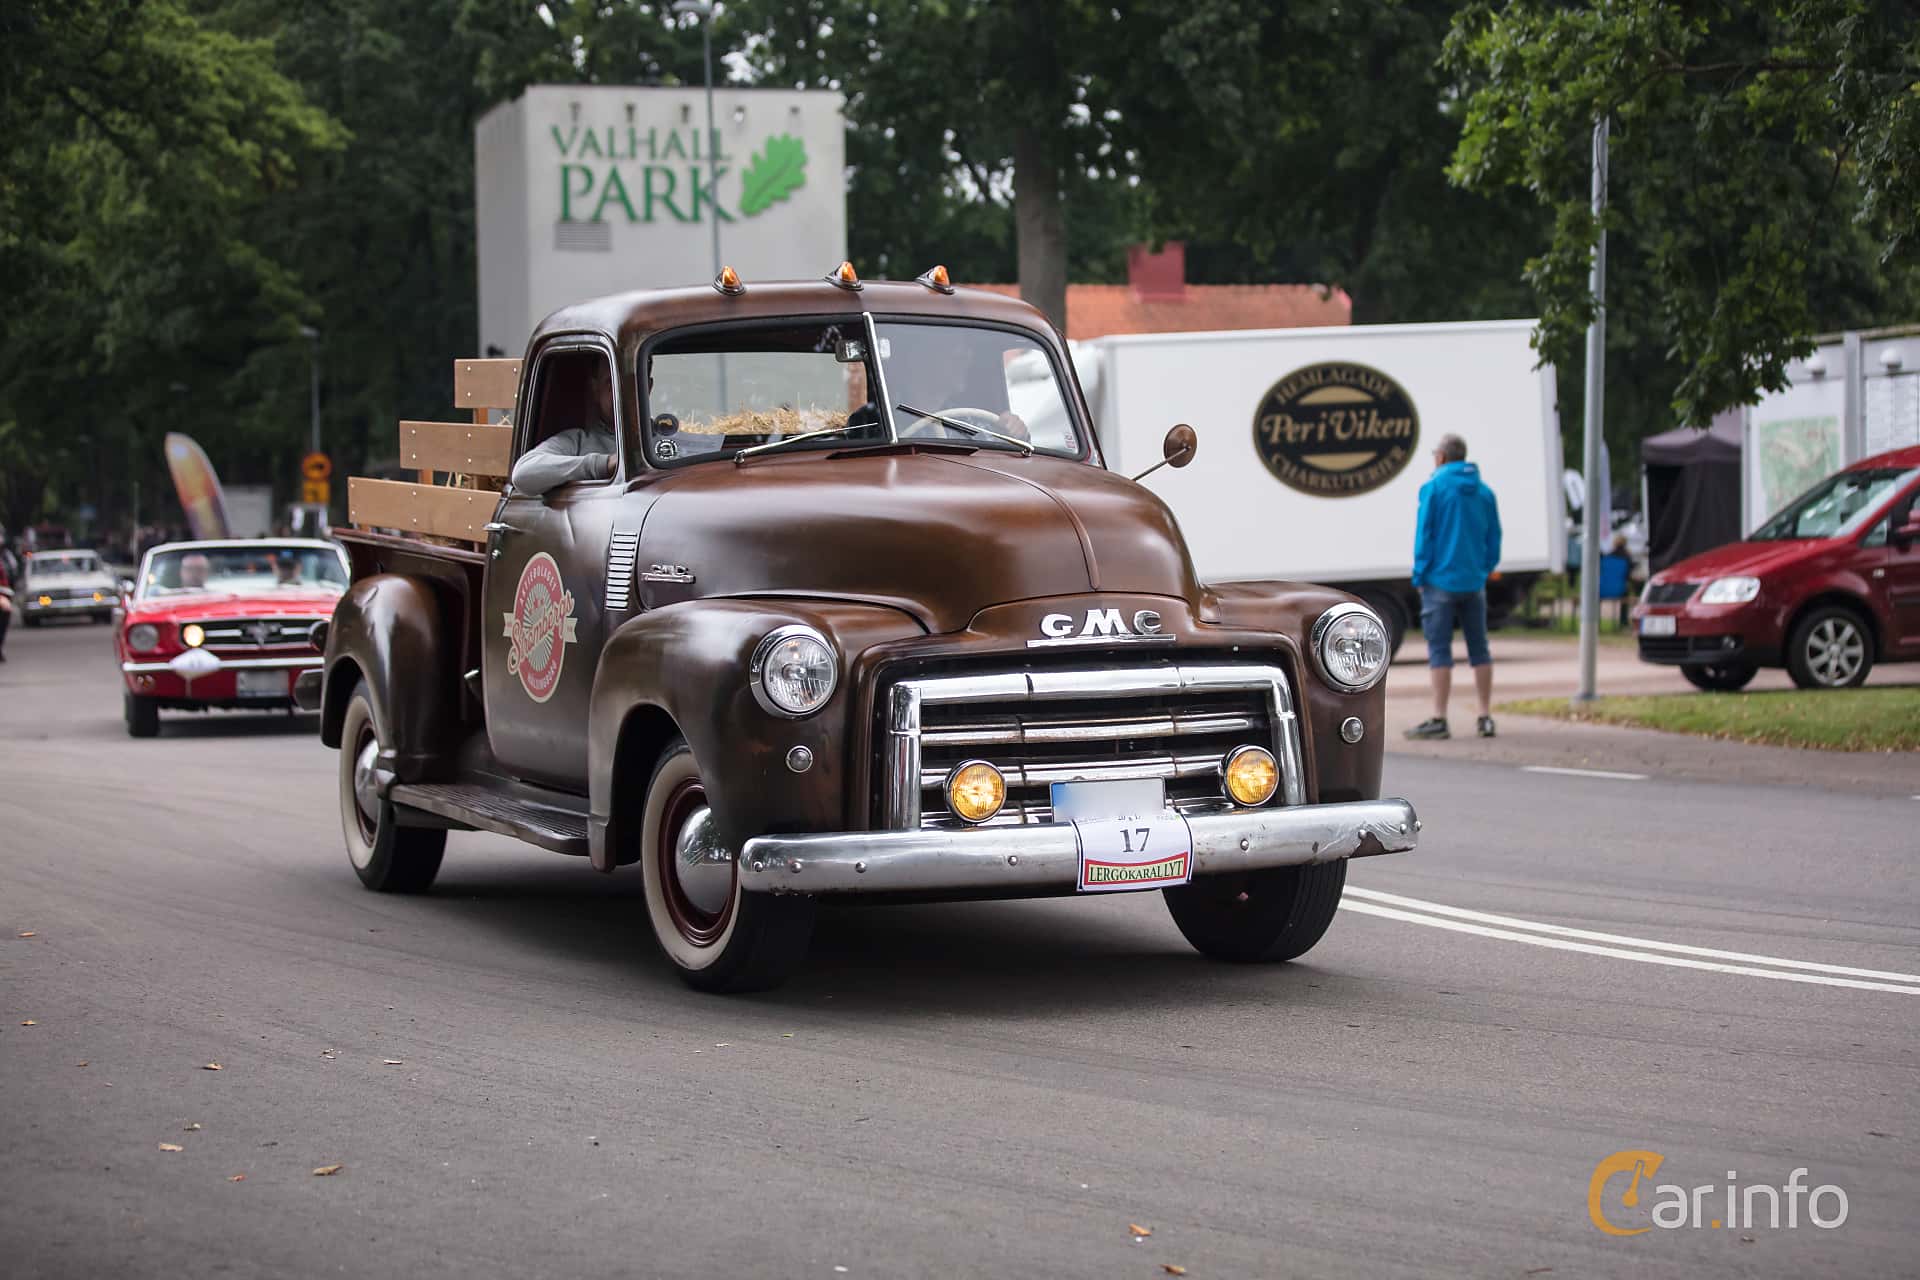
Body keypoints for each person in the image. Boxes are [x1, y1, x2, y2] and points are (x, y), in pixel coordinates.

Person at [1406, 433, 1502, 740]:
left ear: (1442, 457)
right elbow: (1494, 538)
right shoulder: (1484, 493)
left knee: (1439, 651)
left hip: (1439, 582)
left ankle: (1439, 718)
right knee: (1480, 649)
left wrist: (1420, 575)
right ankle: (1485, 716)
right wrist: (1483, 569)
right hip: (1473, 582)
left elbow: (1425, 535)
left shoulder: (1434, 488)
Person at [510, 359, 618, 496]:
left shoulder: (648, 442)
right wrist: (604, 464)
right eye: (611, 383)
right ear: (596, 389)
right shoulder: (577, 441)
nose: (623, 393)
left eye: (632, 383)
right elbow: (522, 473)